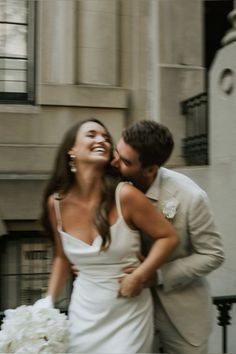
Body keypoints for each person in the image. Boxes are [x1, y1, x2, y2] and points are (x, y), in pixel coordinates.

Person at [40, 118, 178, 353]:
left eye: (105, 137)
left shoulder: (125, 196)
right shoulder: (56, 203)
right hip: (84, 315)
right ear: (71, 149)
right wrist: (47, 304)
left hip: (128, 315)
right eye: (92, 134)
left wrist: (140, 275)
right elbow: (62, 258)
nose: (101, 140)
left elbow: (169, 237)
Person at [111, 120, 224, 354]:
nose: (115, 162)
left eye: (125, 161)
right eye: (117, 153)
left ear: (150, 169)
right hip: (131, 315)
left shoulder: (191, 197)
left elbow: (213, 254)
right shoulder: (112, 184)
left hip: (183, 319)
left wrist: (158, 275)